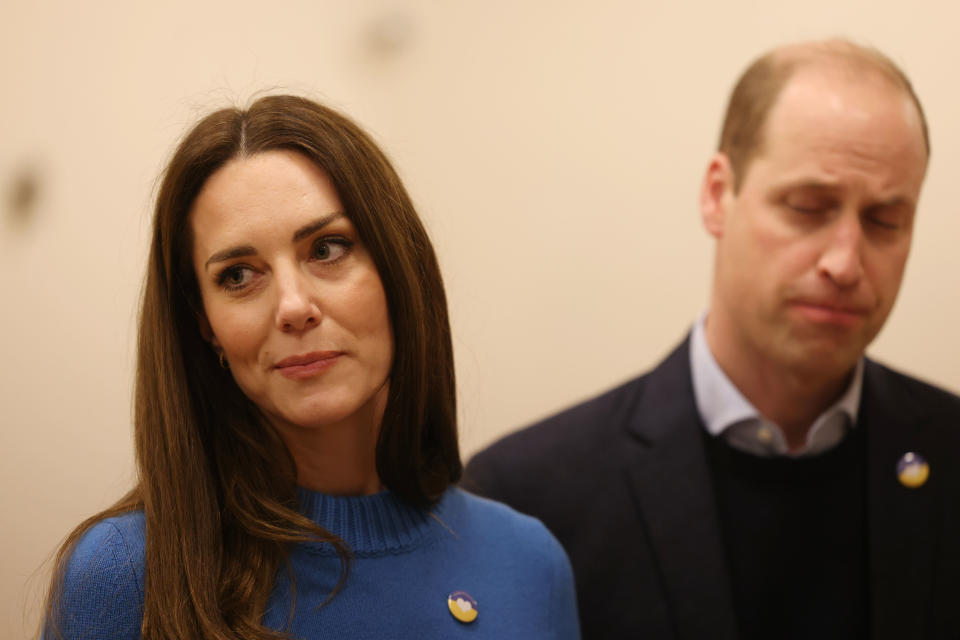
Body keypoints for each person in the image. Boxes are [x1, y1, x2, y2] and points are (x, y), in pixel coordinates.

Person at [462, 39, 960, 639]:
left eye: (884, 220)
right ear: (717, 193)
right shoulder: (527, 499)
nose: (845, 262)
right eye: (808, 207)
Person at [42, 95, 579, 640]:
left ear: (399, 270)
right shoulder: (125, 574)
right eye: (237, 276)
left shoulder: (529, 563)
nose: (293, 307)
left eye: (327, 248)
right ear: (205, 327)